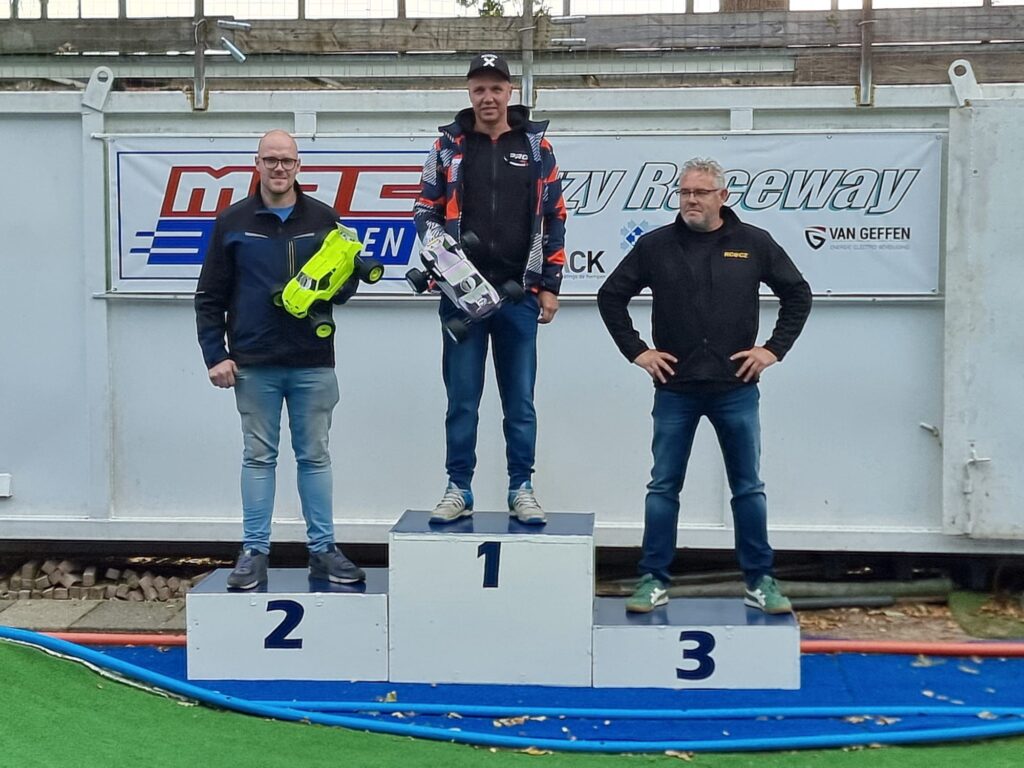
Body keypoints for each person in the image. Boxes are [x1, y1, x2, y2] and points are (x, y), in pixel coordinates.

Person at [597, 157, 812, 614]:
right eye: (684, 192)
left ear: (723, 197)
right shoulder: (655, 246)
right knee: (663, 487)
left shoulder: (753, 243)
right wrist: (638, 352)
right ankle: (653, 580)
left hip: (736, 388)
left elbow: (798, 294)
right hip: (675, 389)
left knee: (748, 488)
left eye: (700, 192)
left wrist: (772, 350)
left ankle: (760, 581)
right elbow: (610, 296)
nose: (690, 200)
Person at [195, 129, 365, 590]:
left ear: (298, 165)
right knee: (258, 458)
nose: (278, 168)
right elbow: (209, 296)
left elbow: (343, 289)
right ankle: (254, 553)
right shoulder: (232, 221)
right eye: (270, 160)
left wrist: (343, 275)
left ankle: (323, 550)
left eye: (286, 160)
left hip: (313, 360)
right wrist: (215, 354)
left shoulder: (324, 218)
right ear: (257, 164)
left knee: (315, 457)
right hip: (253, 363)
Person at [413, 52, 567, 525]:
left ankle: (522, 487)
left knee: (520, 402)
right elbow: (424, 211)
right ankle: (458, 487)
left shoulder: (537, 147)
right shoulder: (447, 146)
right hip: (462, 298)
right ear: (469, 93)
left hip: (520, 295)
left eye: (496, 88)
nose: (488, 97)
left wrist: (550, 284)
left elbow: (555, 216)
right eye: (479, 89)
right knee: (462, 400)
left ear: (510, 92)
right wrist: (446, 261)